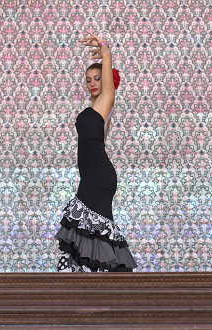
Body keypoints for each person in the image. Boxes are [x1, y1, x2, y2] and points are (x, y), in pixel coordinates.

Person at [54, 31, 137, 272]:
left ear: (107, 81)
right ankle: (96, 280)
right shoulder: (98, 111)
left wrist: (102, 48)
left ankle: (102, 277)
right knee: (89, 230)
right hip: (93, 177)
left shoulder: (106, 101)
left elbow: (107, 56)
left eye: (97, 78)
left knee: (86, 227)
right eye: (88, 79)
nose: (92, 83)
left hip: (99, 177)